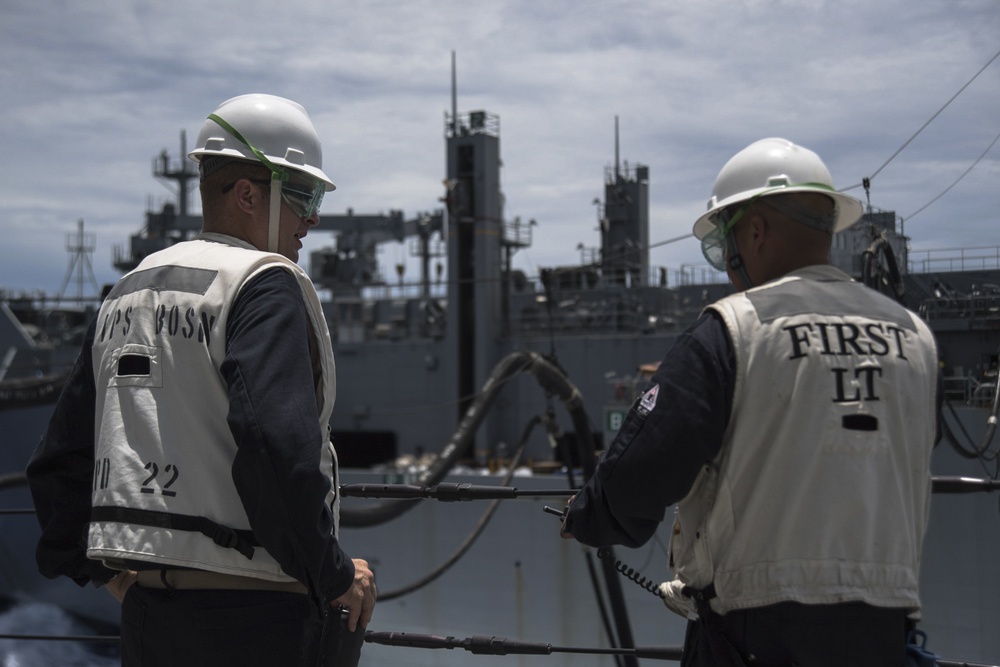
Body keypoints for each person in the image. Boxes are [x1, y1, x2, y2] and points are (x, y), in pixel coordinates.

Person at [560, 138, 941, 666]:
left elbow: (637, 476)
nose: (725, 265)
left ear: (754, 232)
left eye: (723, 245)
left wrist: (587, 516)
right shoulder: (916, 337)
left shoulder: (732, 331)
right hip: (882, 630)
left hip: (755, 634)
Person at [27, 93, 376, 666]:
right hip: (259, 629)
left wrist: (114, 580)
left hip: (148, 624)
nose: (311, 219)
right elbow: (277, 451)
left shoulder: (127, 292)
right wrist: (334, 574)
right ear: (247, 194)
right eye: (304, 196)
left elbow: (56, 468)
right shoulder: (262, 284)